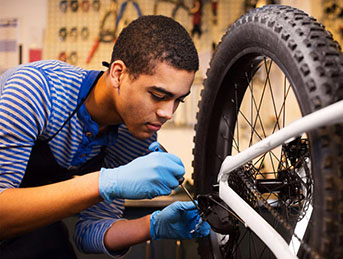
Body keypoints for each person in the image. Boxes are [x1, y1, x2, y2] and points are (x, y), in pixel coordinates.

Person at [0, 15, 210, 258]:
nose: (167, 113)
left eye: (177, 100)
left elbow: (90, 231)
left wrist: (153, 225)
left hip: (33, 228)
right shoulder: (35, 91)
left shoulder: (135, 135)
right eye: (157, 95)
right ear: (118, 74)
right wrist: (106, 182)